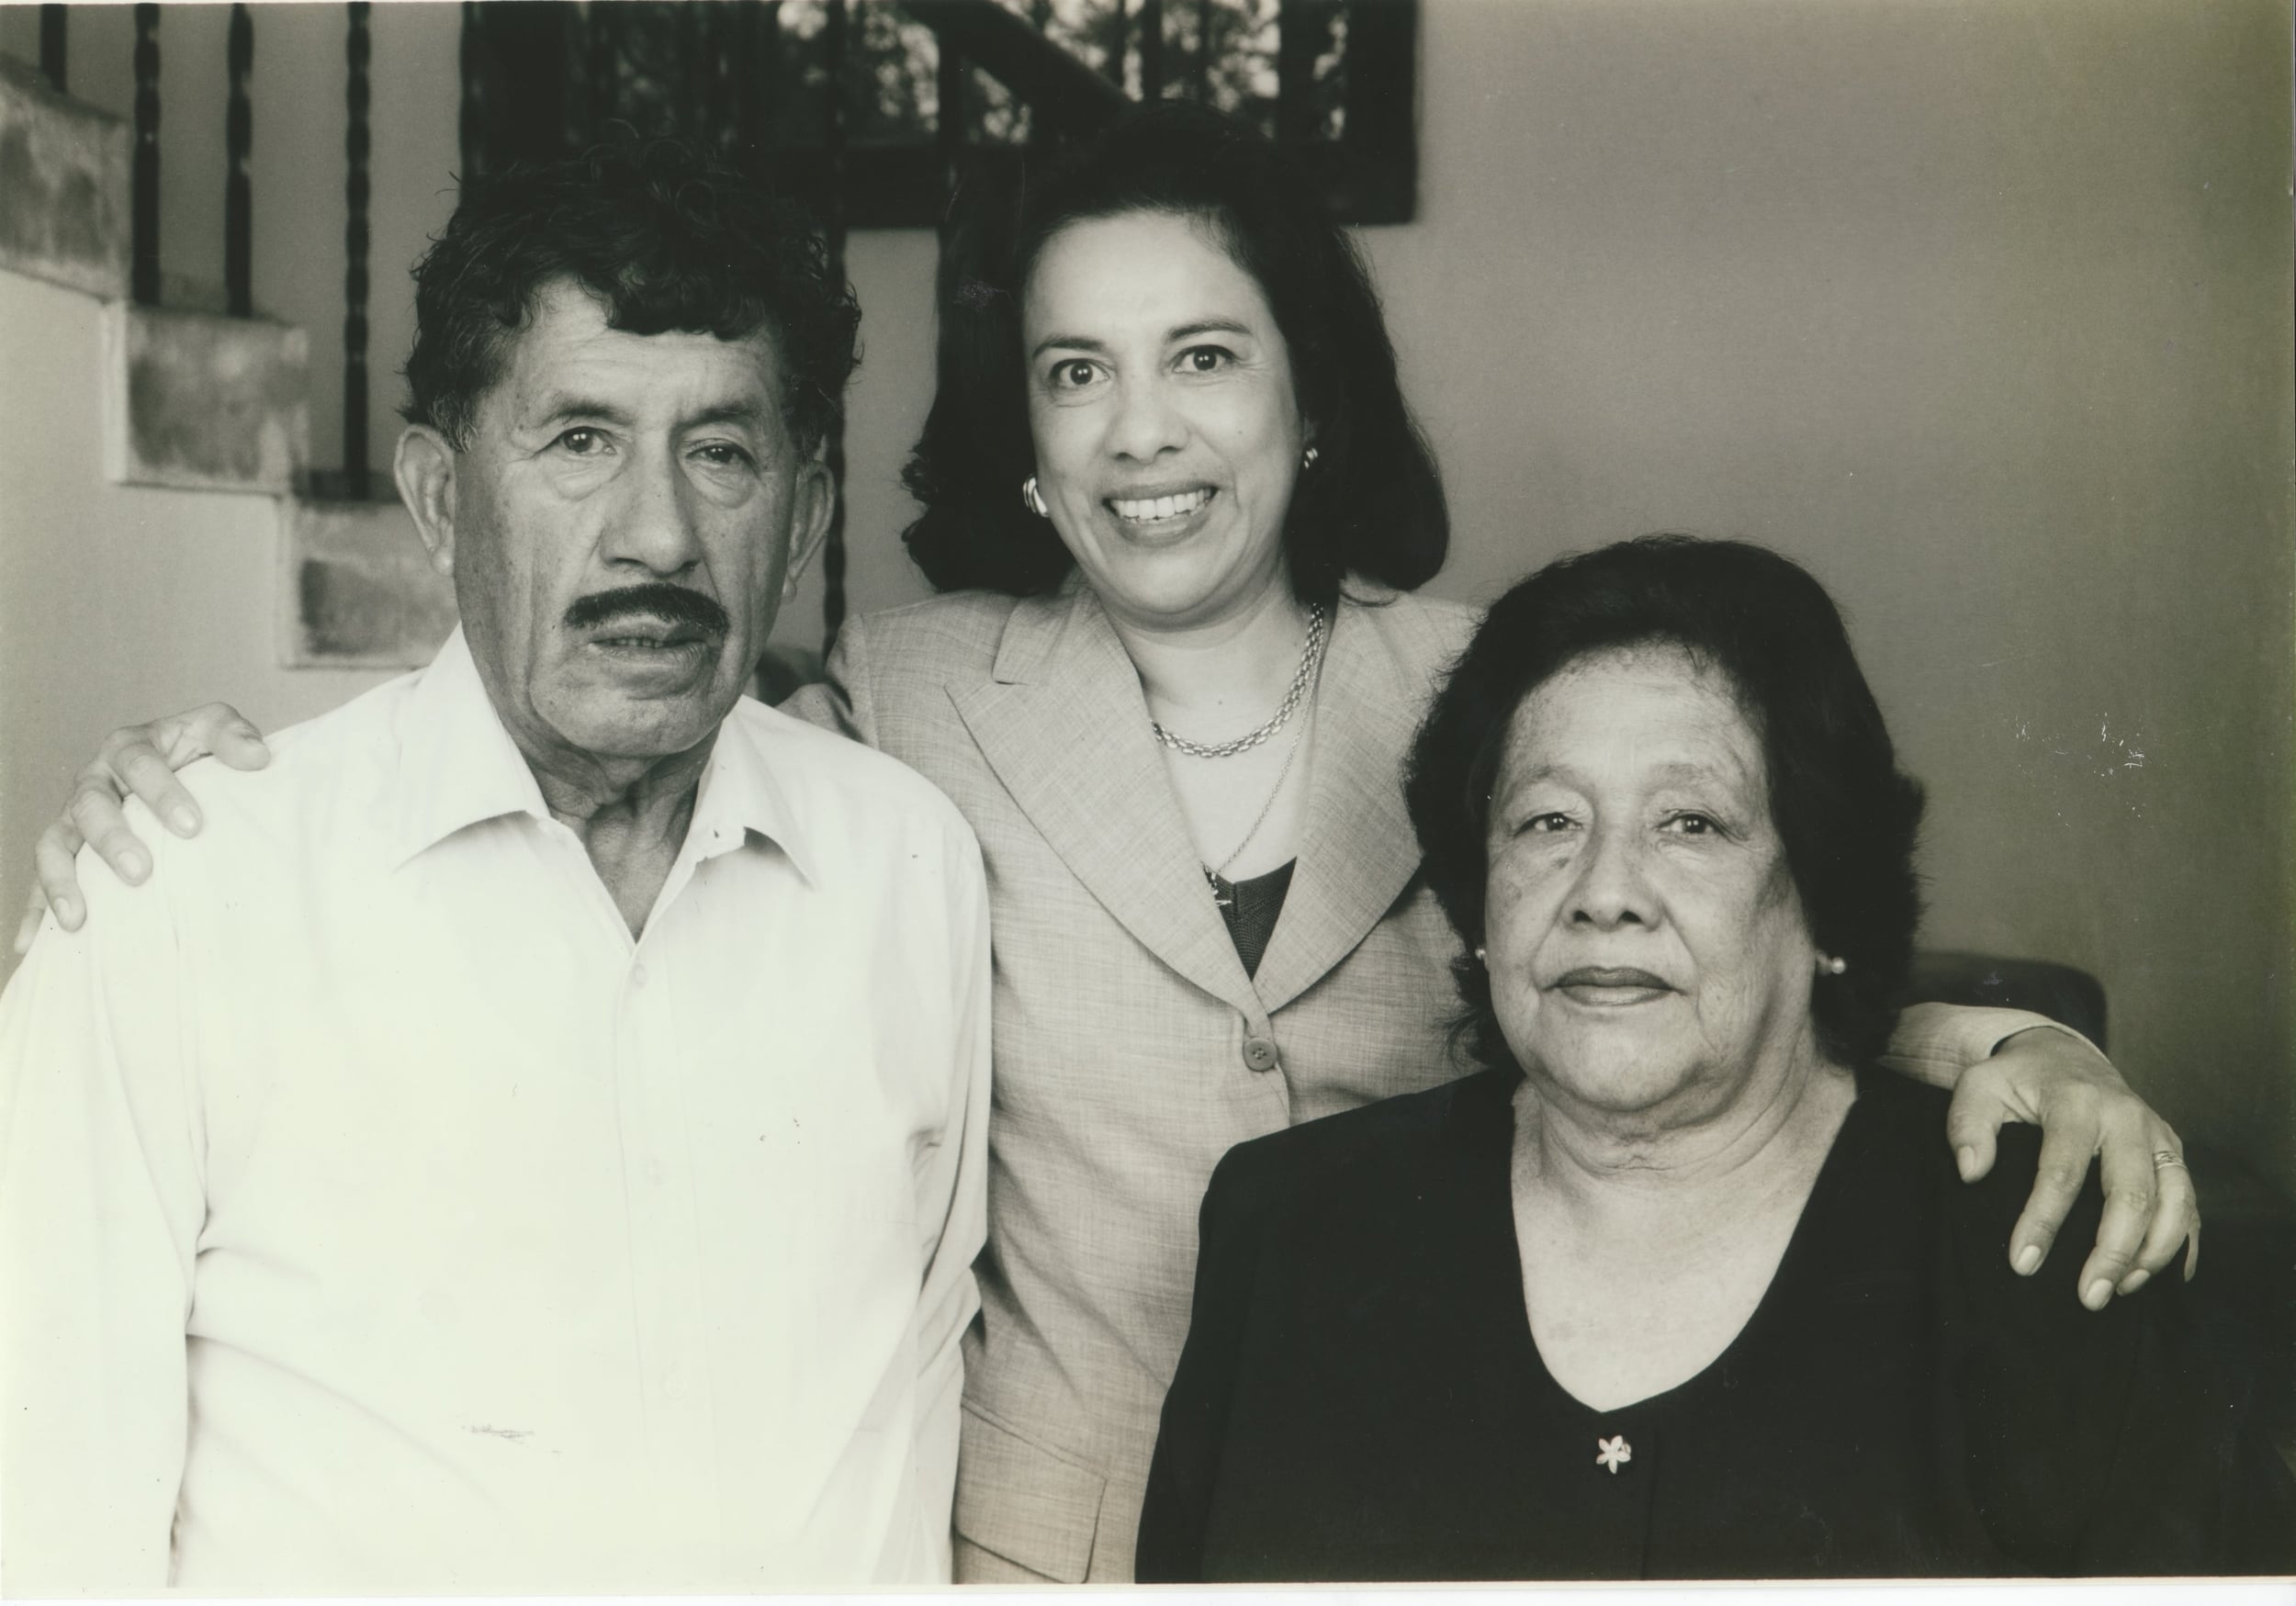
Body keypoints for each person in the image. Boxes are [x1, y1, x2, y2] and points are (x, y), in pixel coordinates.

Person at [13, 107, 2199, 1583]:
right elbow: (571, 686)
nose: (1143, 431)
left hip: (1445, 1520)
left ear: (1309, 398)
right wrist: (193, 779)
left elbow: (1719, 947)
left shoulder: (1506, 700)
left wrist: (2004, 1055)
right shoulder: (904, 712)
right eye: (1075, 375)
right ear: (1028, 450)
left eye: (1204, 359)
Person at [0, 140, 991, 1592]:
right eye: (578, 441)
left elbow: (917, 1411)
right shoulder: (181, 888)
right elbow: (47, 1511)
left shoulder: (910, 863)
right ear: (441, 496)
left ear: (806, 521)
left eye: (720, 452)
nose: (656, 533)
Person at [1136, 537, 2294, 1581]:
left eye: (1691, 824)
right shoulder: (1288, 1233)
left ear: (1820, 896)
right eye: (1547, 822)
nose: (1603, 894)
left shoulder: (2039, 1256)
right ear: (1479, 900)